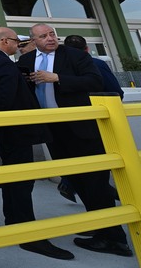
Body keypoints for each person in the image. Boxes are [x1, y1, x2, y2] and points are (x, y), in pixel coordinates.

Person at [18, 23, 132, 258]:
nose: (50, 38)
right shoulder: (27, 61)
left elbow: (94, 82)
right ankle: (101, 228)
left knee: (96, 183)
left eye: (52, 34)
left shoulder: (75, 56)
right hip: (54, 132)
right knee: (76, 181)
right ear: (33, 41)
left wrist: (57, 77)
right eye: (43, 36)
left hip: (82, 130)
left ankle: (116, 239)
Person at [0, 27, 73, 260]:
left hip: (1, 134)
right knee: (21, 183)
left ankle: (13, 221)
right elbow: (7, 101)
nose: (17, 45)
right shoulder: (3, 64)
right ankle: (27, 231)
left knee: (12, 181)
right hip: (15, 133)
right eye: (15, 42)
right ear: (4, 41)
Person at [55, 34, 124, 204]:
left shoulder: (58, 68)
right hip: (98, 123)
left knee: (86, 170)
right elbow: (115, 92)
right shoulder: (96, 63)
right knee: (101, 169)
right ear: (87, 49)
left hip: (71, 126)